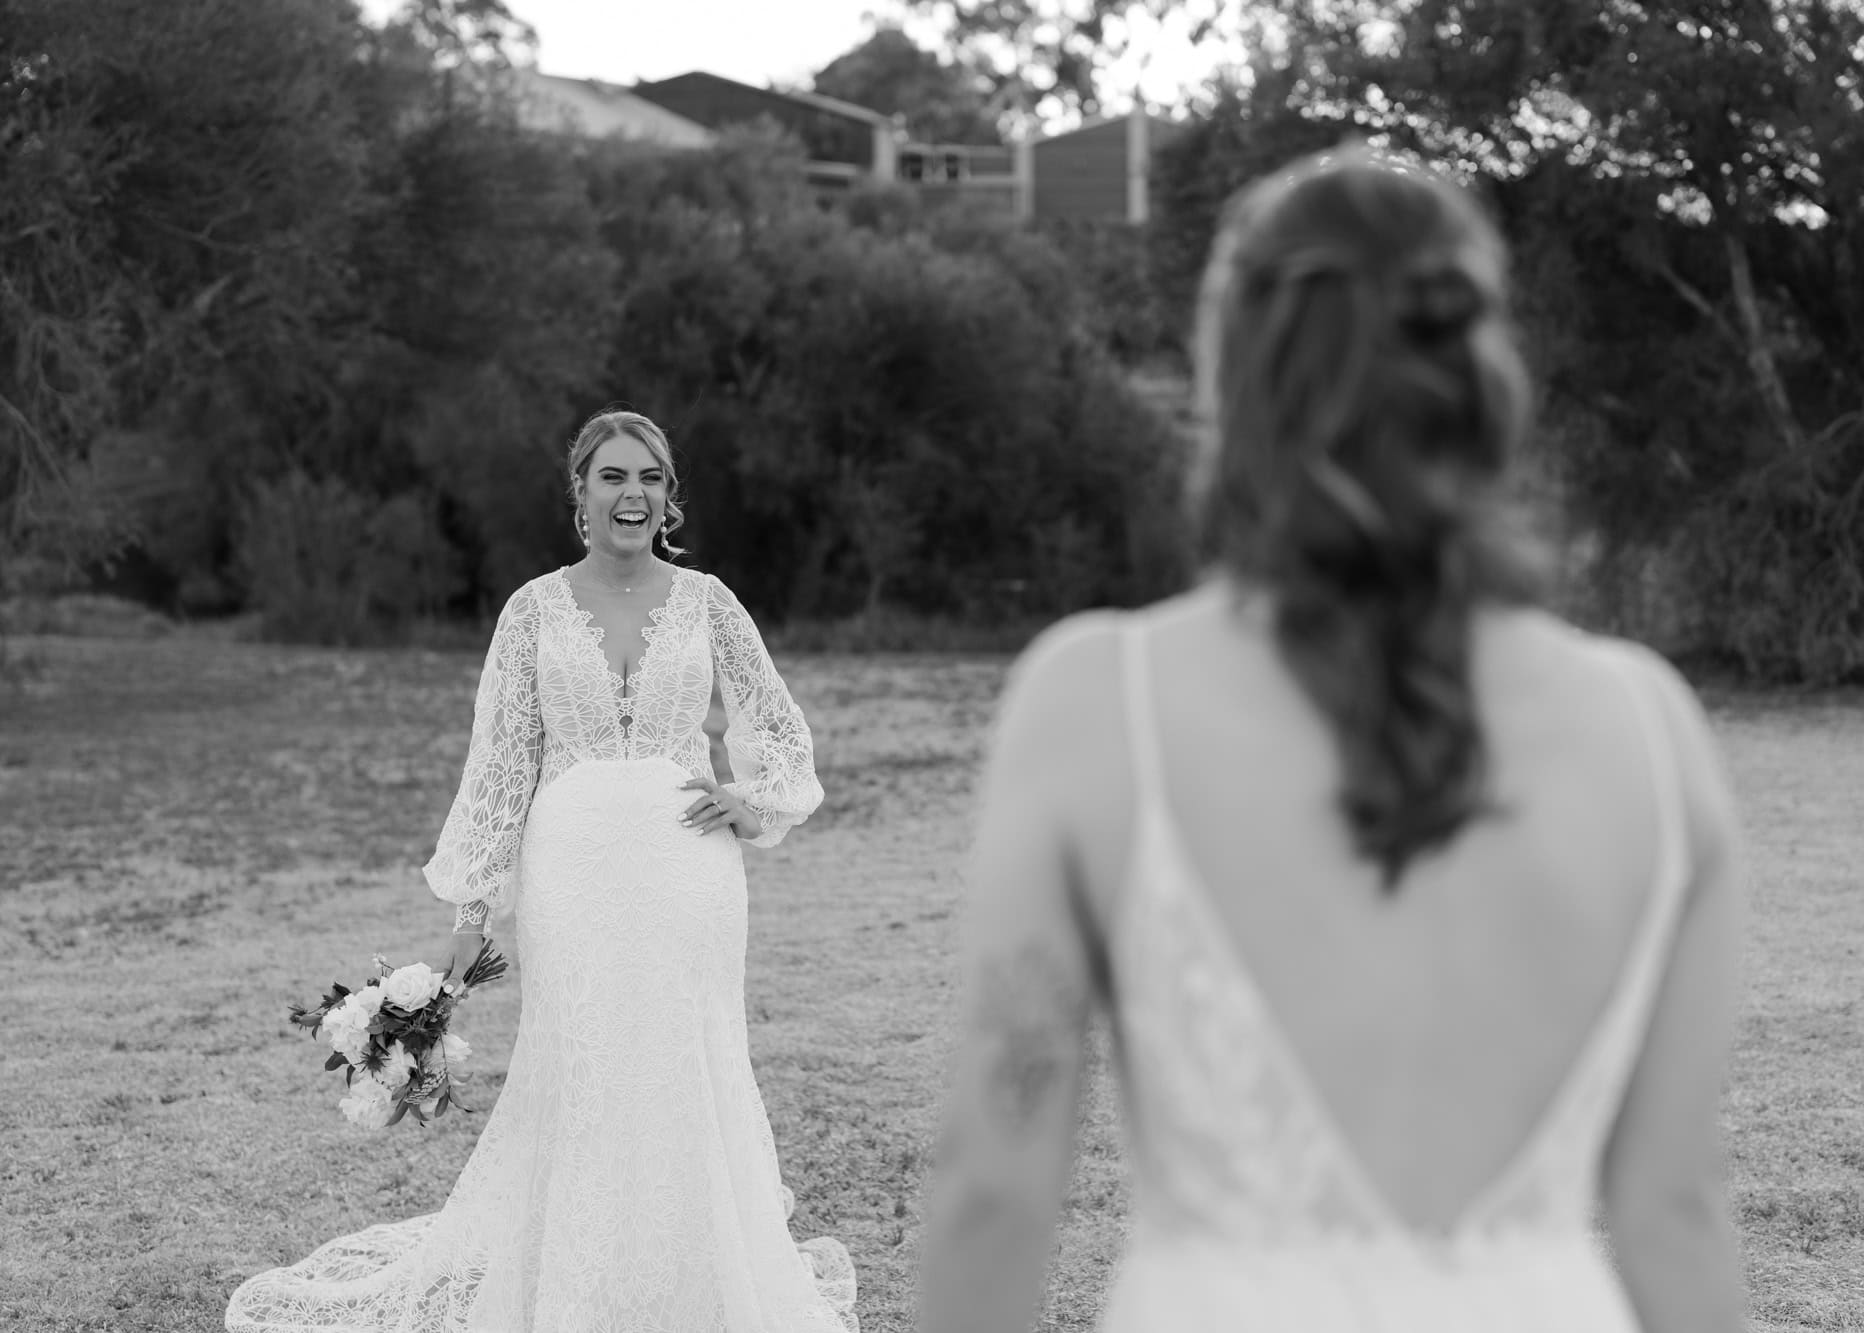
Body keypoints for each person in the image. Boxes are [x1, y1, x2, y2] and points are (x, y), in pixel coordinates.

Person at [917, 145, 1746, 1333]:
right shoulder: (1648, 729)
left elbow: (992, 1192)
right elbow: (1674, 1215)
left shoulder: (1098, 700)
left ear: (1230, 372)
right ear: (1480, 373)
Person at [228, 409, 858, 1332]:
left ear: (668, 495)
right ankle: (583, 1289)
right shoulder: (531, 610)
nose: (632, 494)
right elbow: (501, 763)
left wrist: (753, 800)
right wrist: (471, 913)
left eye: (649, 477)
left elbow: (780, 722)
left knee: (689, 1057)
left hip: (691, 875)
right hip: (572, 874)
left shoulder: (710, 601)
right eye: (613, 476)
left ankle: (698, 1282)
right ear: (581, 492)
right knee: (588, 1063)